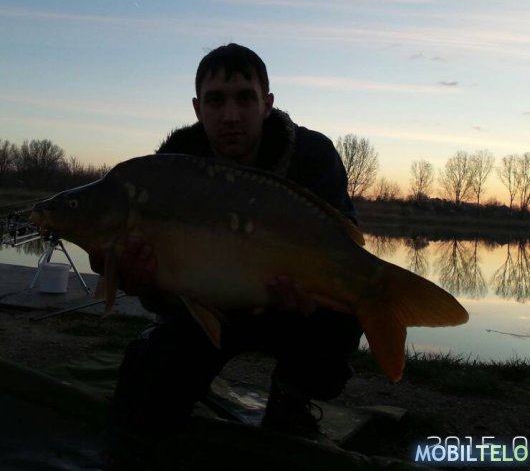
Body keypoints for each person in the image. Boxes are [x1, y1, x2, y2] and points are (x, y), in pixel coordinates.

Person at [104, 43, 362, 442]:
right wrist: (146, 287)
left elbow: (346, 247)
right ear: (197, 108)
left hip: (291, 304)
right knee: (141, 400)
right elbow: (161, 297)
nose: (230, 116)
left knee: (348, 305)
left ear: (267, 104)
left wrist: (311, 293)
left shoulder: (312, 155)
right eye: (215, 101)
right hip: (205, 302)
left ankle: (291, 397)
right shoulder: (170, 167)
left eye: (245, 99)